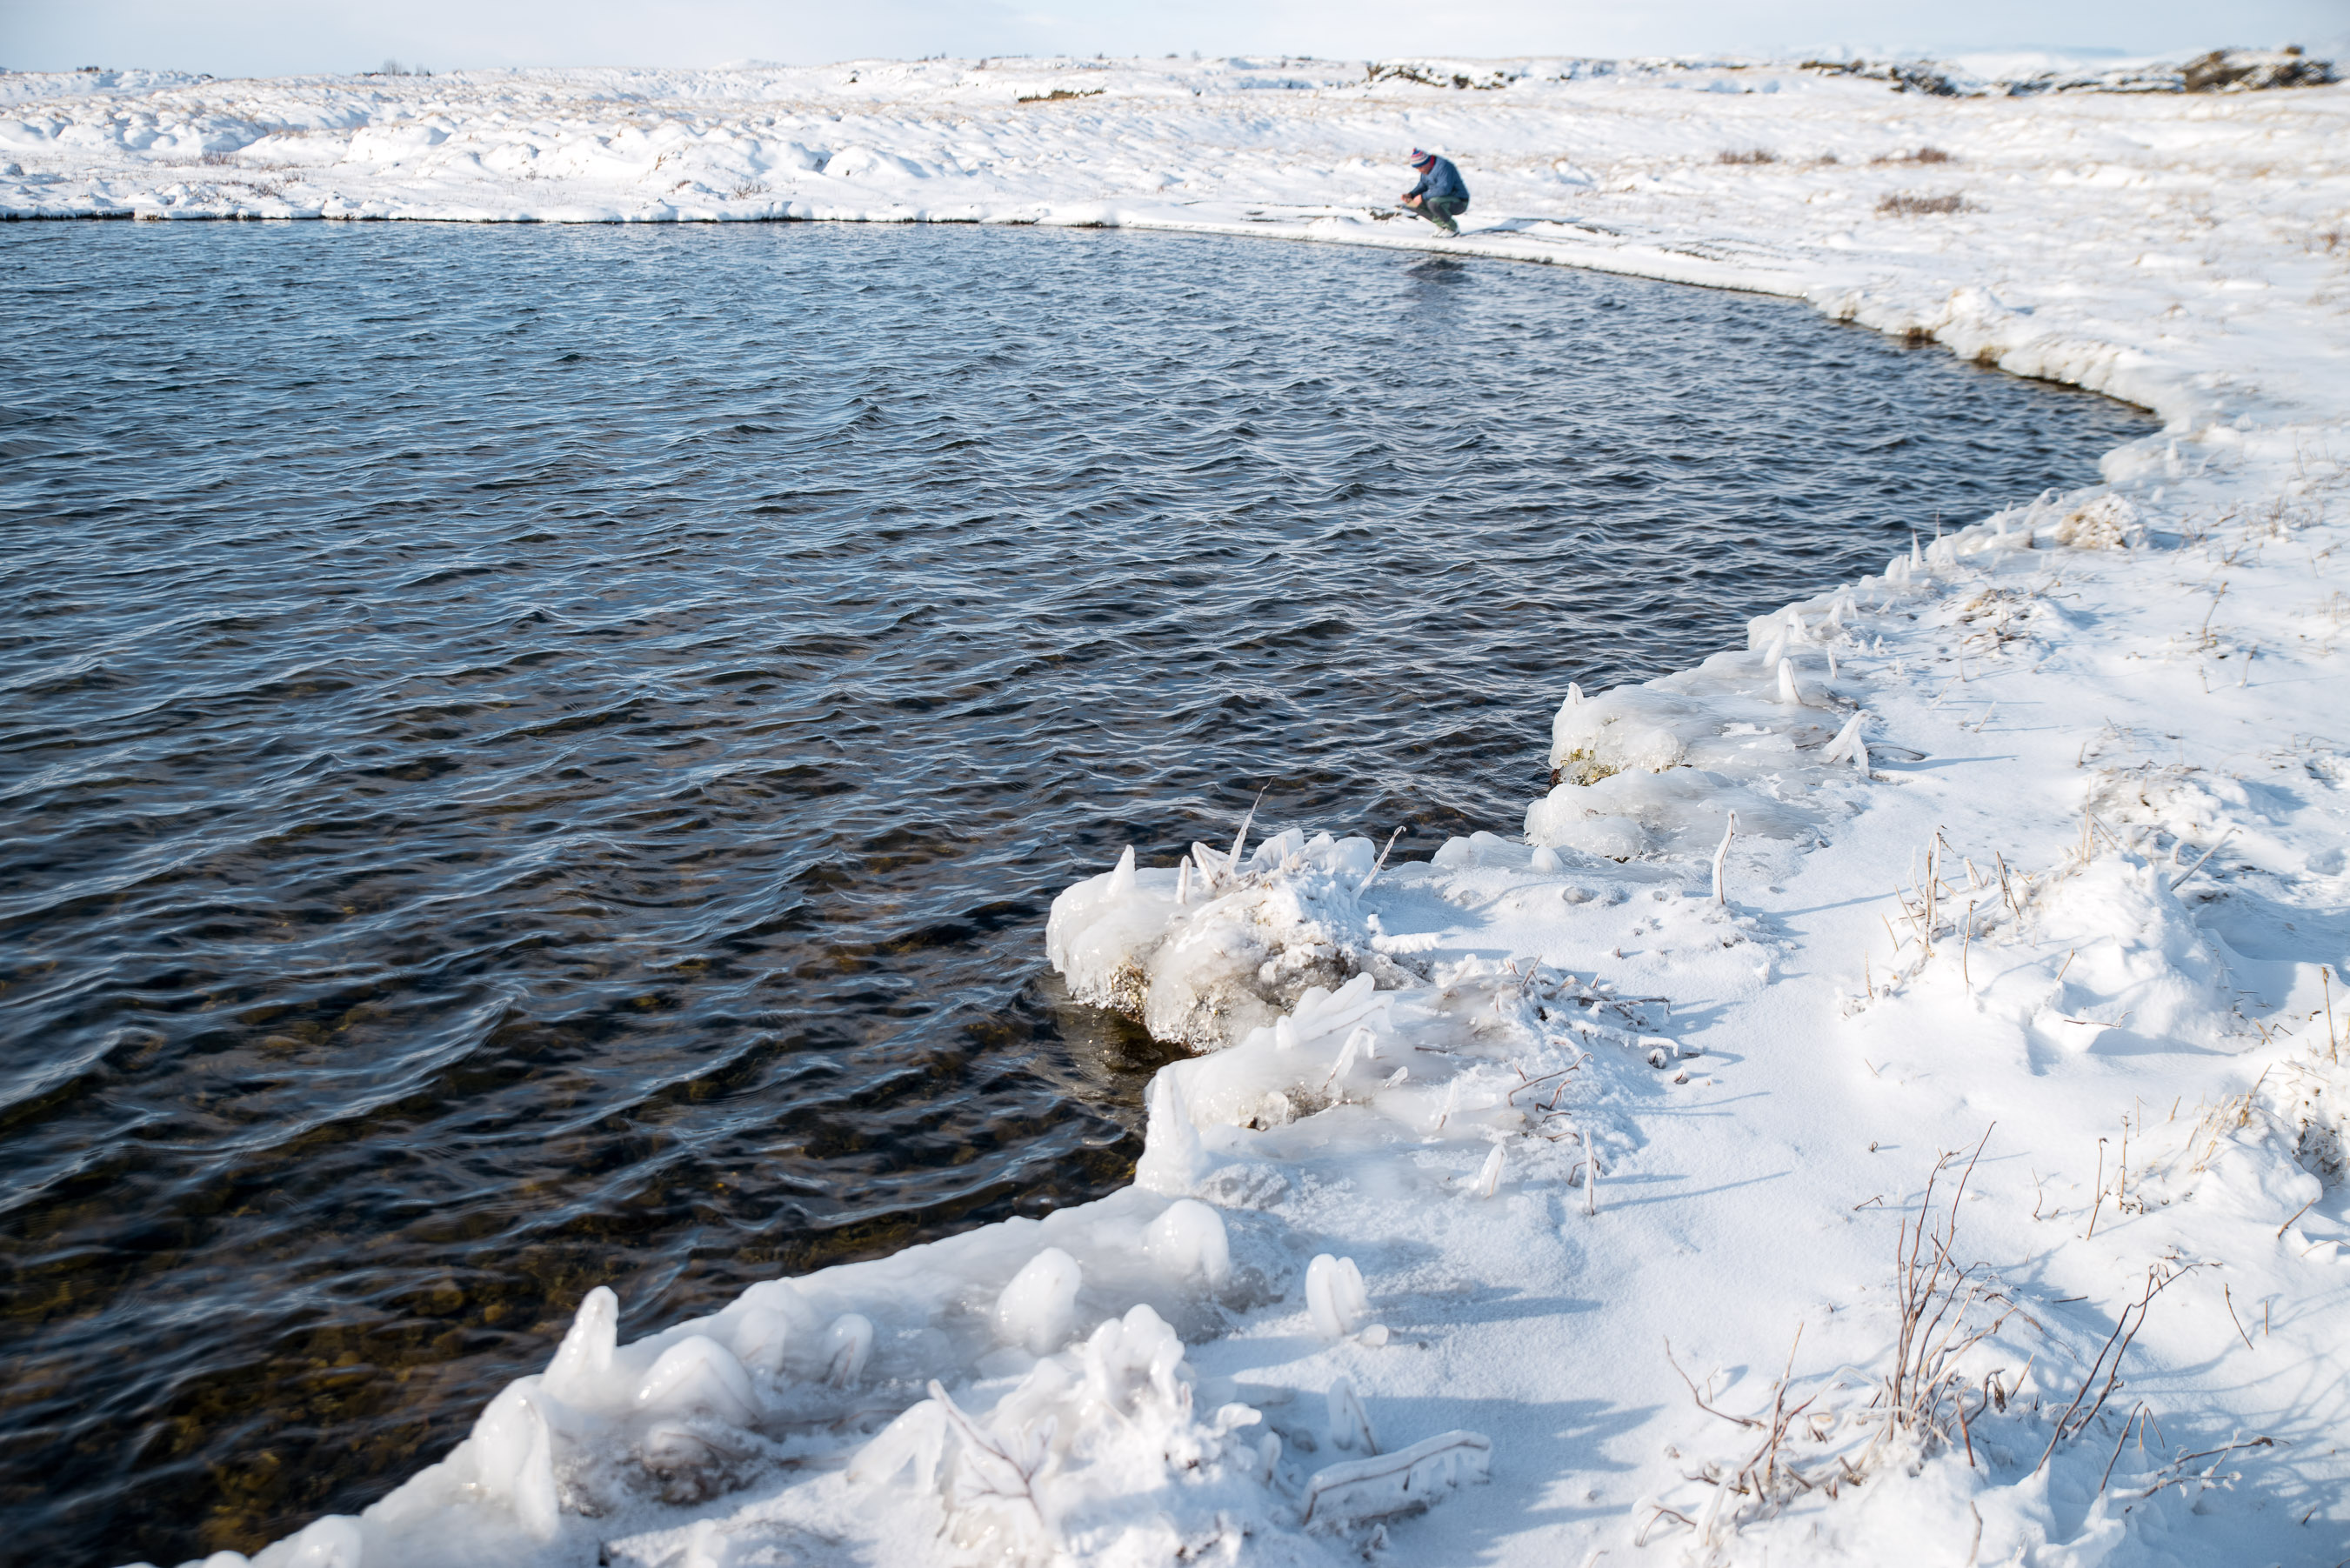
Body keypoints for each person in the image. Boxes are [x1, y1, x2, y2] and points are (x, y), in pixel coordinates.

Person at [1400, 148, 1469, 235]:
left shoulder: (1444, 167)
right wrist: (1411, 194)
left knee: (1433, 203)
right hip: (1439, 199)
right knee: (1411, 204)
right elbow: (1423, 185)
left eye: (1420, 167)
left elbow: (1444, 190)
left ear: (1427, 162)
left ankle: (1453, 228)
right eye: (1417, 168)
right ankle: (1443, 225)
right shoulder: (1426, 169)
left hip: (1459, 202)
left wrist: (1422, 197)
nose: (1420, 171)